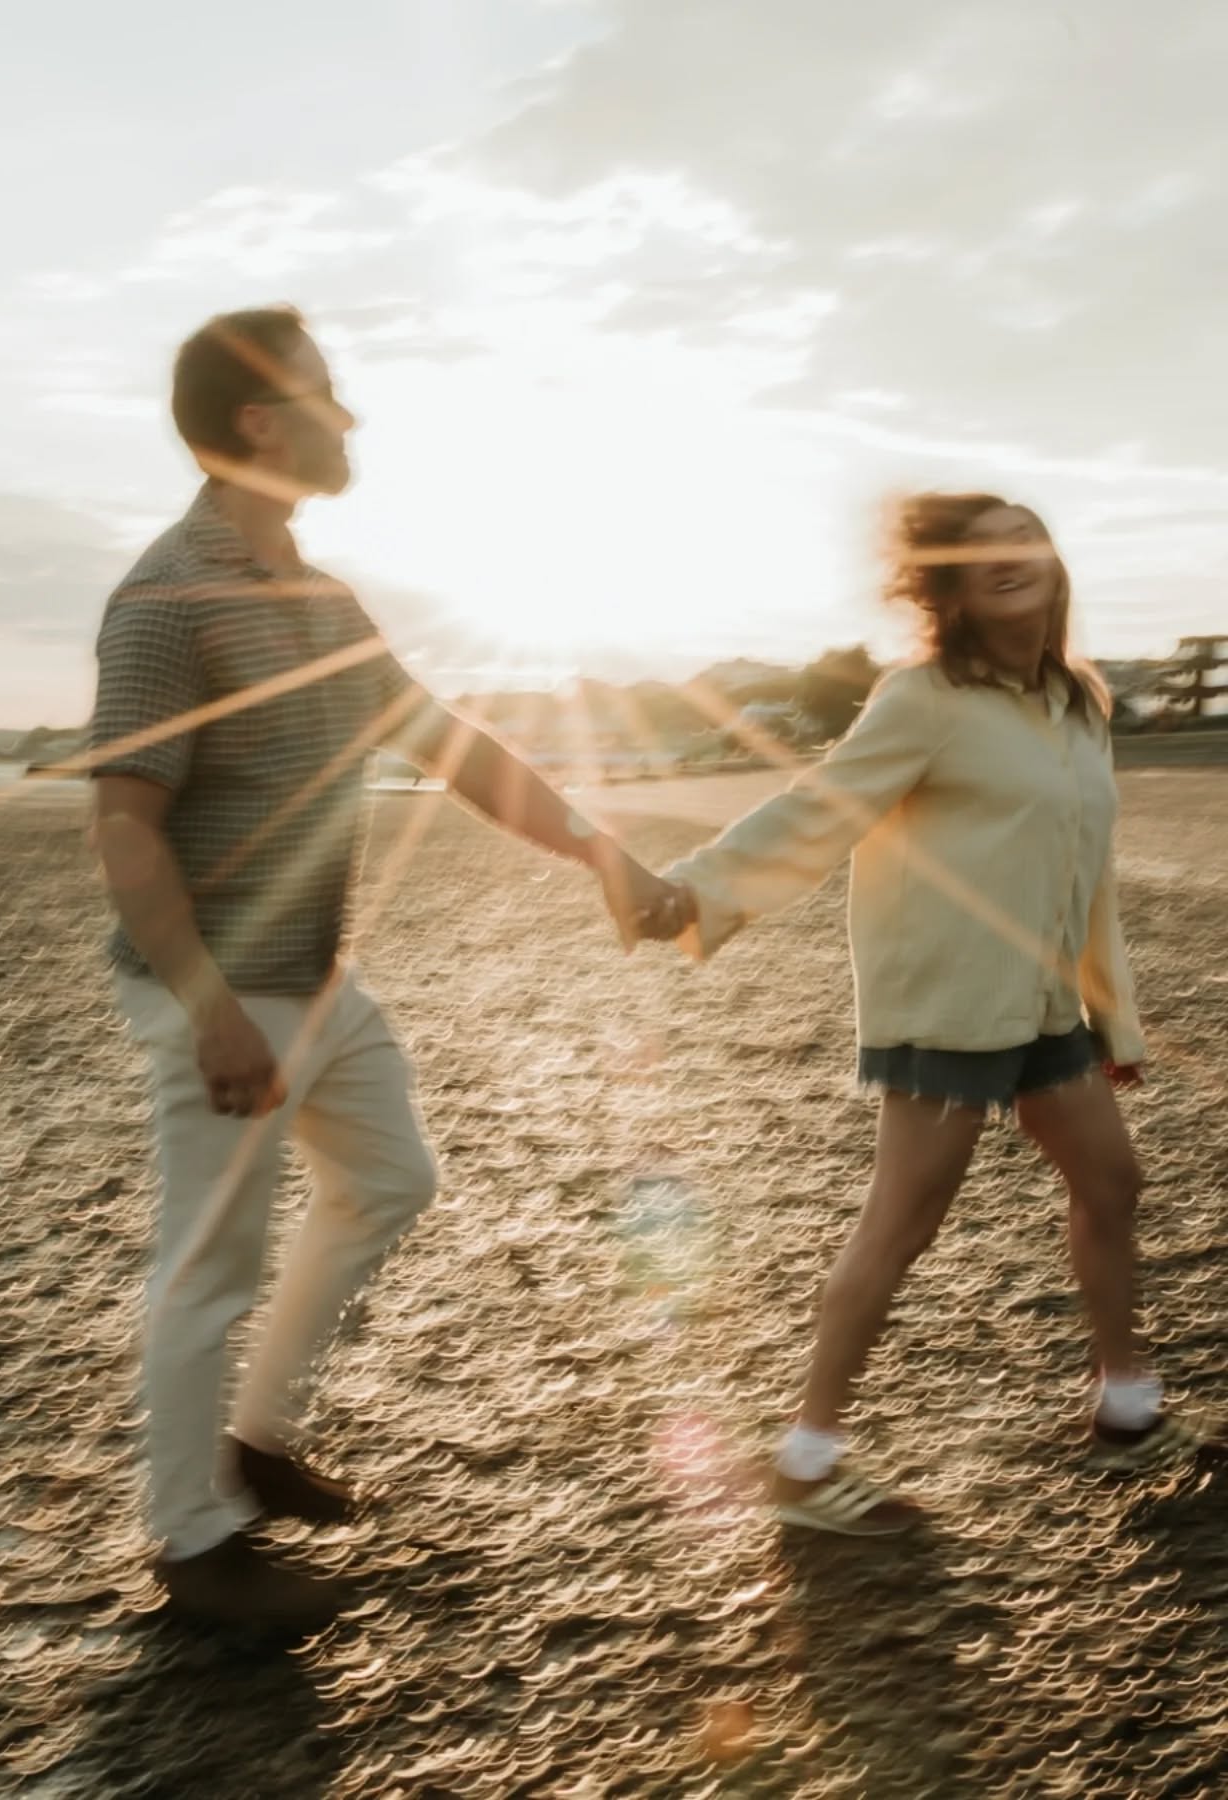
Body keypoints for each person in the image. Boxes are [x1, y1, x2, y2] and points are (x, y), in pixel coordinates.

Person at [87, 305, 678, 1626]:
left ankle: (253, 1443)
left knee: (389, 1179)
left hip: (314, 973)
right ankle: (191, 1543)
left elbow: (454, 746)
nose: (345, 415)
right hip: (221, 986)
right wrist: (211, 1012)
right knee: (210, 1261)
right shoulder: (164, 597)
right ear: (259, 419)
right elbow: (122, 822)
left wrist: (601, 852)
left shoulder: (319, 595)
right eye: (326, 392)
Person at [637, 492, 1213, 1535]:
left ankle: (1126, 1406)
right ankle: (808, 1463)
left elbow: (1088, 874)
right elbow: (820, 809)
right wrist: (694, 890)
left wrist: (1108, 1019)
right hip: (944, 1006)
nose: (1006, 560)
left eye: (1022, 540)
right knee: (901, 1225)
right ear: (943, 585)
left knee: (1113, 1182)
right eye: (976, 550)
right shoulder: (925, 698)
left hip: (1042, 1009)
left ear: (1053, 561)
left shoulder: (1078, 703)